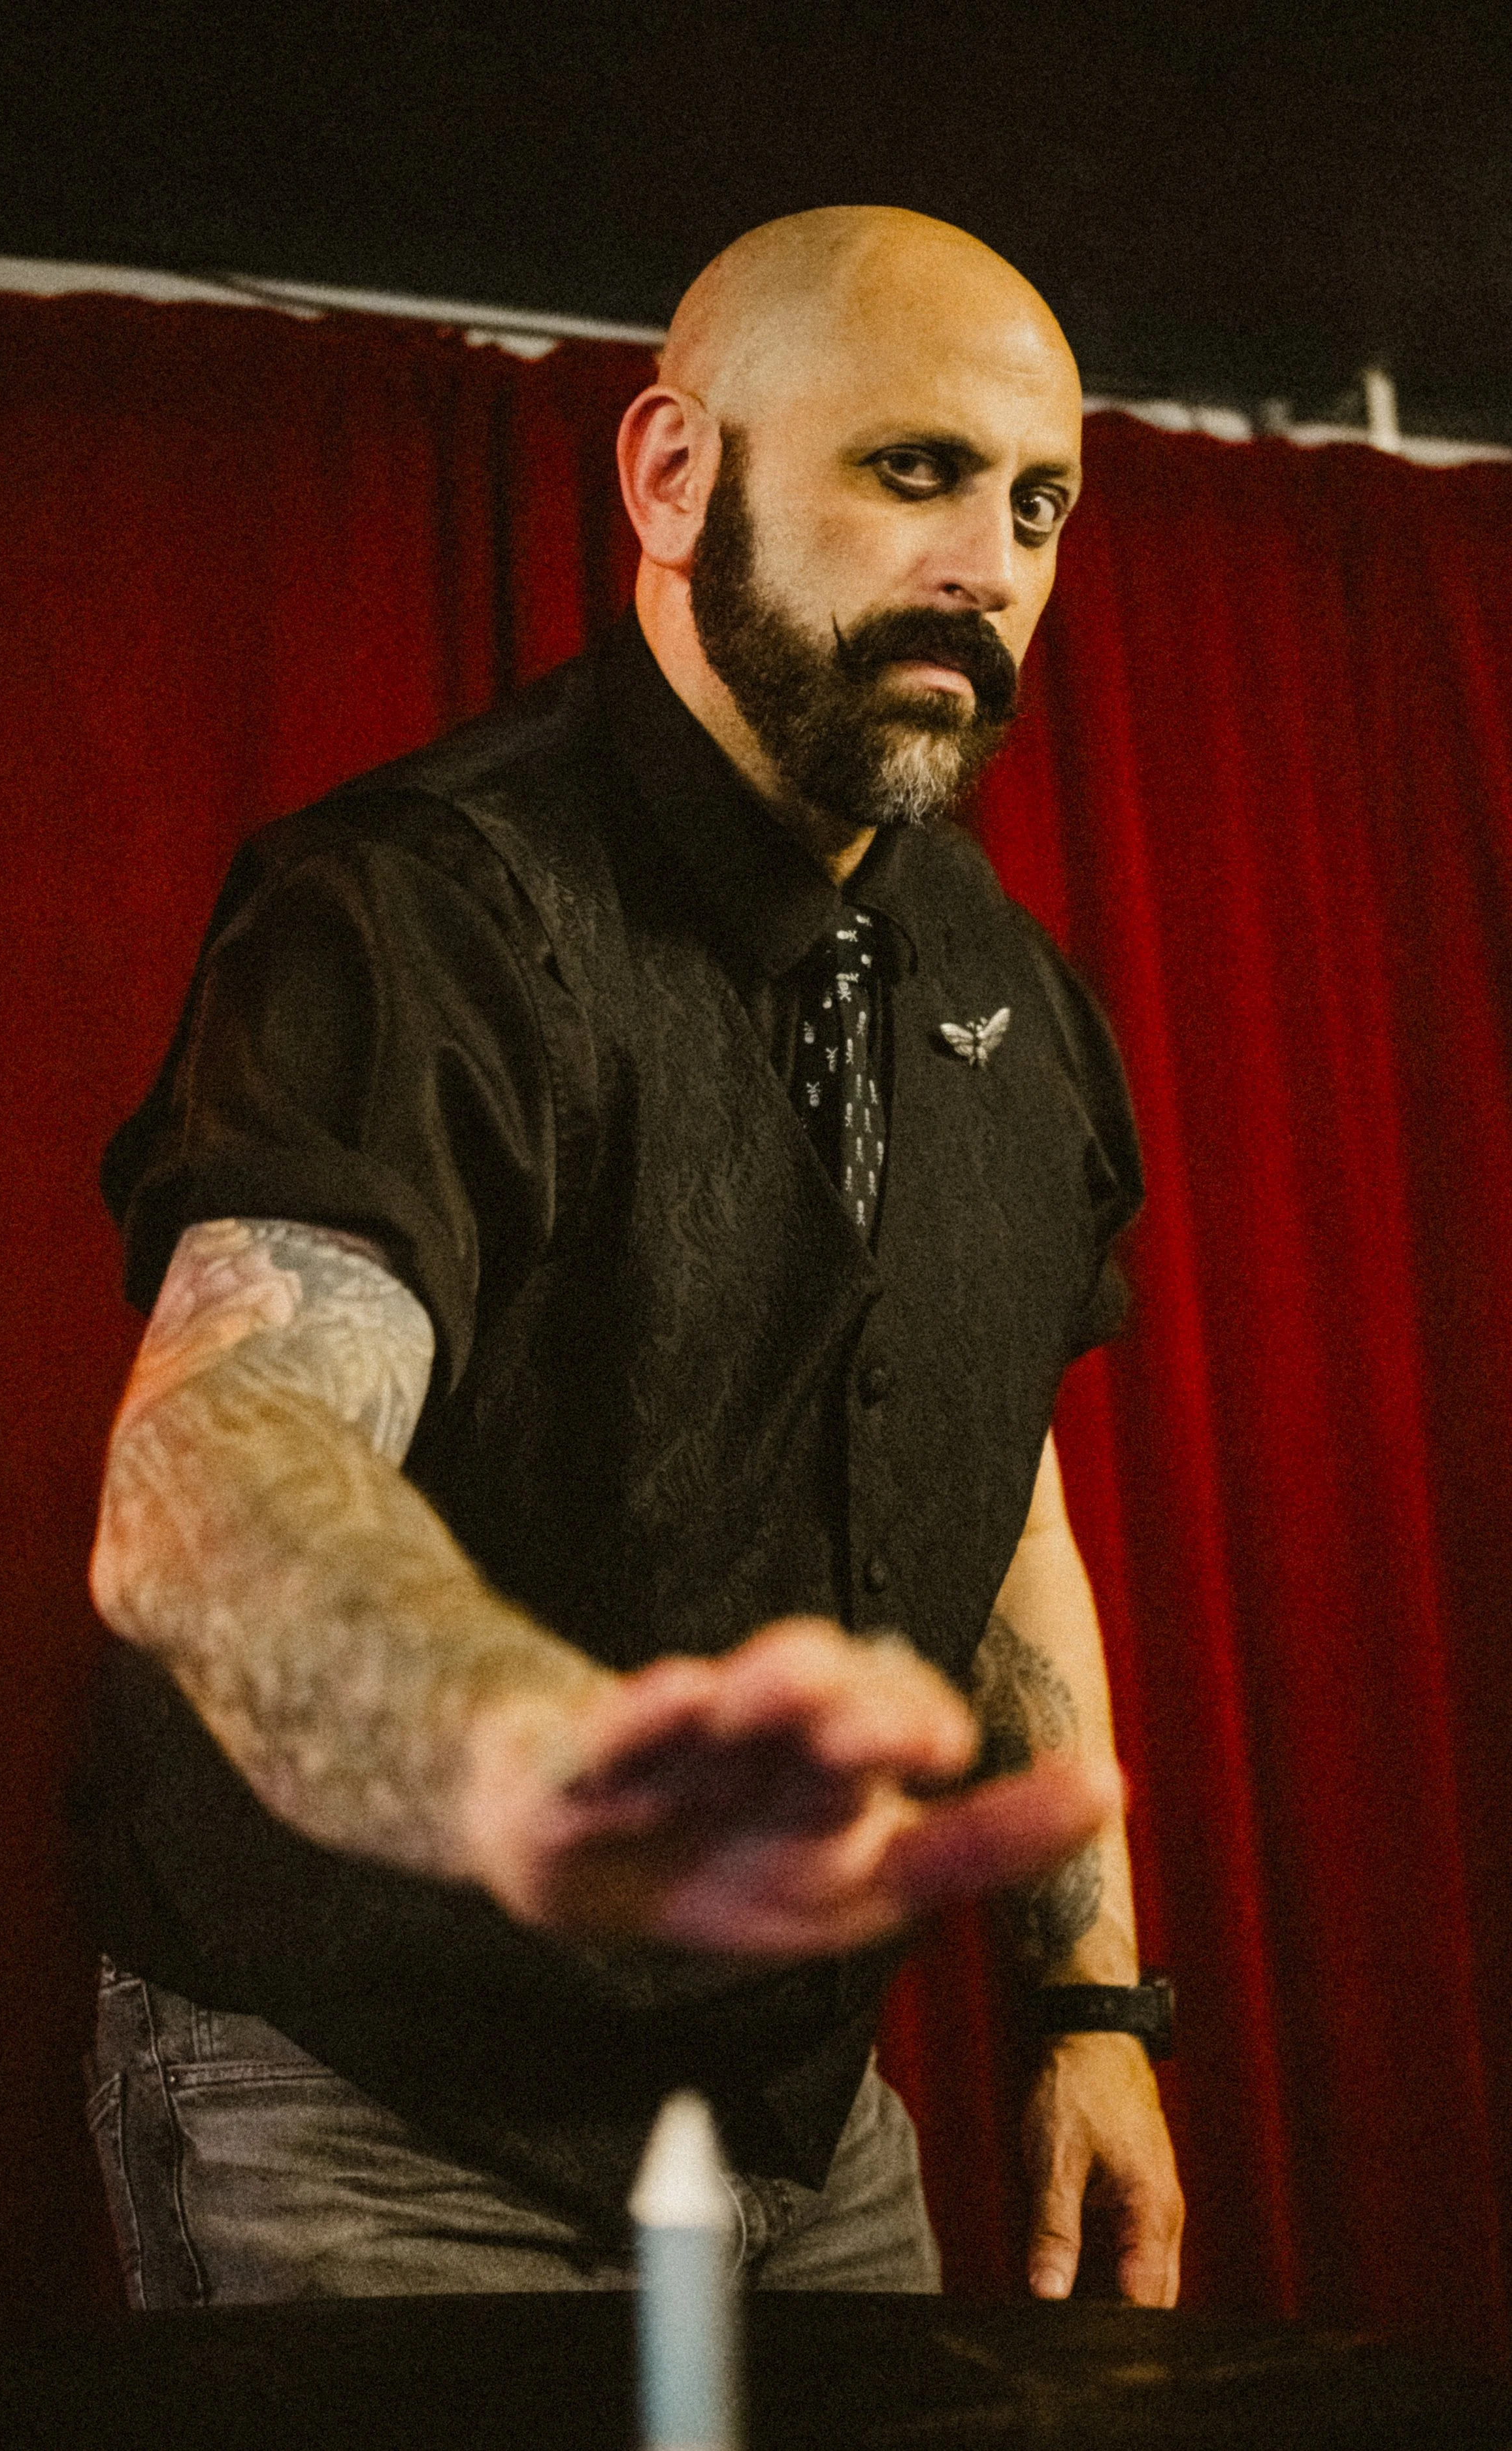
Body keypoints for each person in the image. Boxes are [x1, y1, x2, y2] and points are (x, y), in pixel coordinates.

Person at [81, 205, 1184, 2310]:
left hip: (807, 2130)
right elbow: (216, 1455)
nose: (990, 560)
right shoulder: (422, 910)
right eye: (914, 470)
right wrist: (522, 1757)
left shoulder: (1012, 997)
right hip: (368, 2110)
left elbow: (999, 1485)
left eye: (1037, 499)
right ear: (676, 475)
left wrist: (1088, 2008)